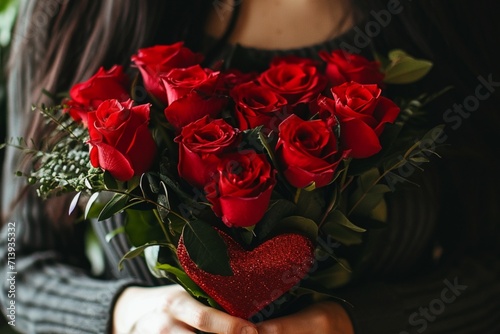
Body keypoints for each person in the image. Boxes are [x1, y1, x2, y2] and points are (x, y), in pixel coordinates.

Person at [1, 0, 499, 333]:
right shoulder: (73, 13)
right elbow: (10, 270)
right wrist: (126, 314)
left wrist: (361, 323)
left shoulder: (450, 14)